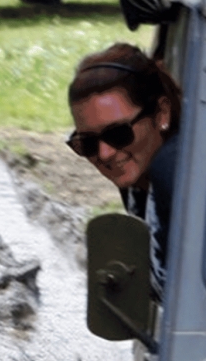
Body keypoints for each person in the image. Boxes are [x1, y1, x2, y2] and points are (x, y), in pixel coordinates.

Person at [67, 44, 182, 290]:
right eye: (87, 143)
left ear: (162, 114)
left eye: (118, 134)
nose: (104, 153)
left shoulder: (175, 174)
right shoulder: (137, 176)